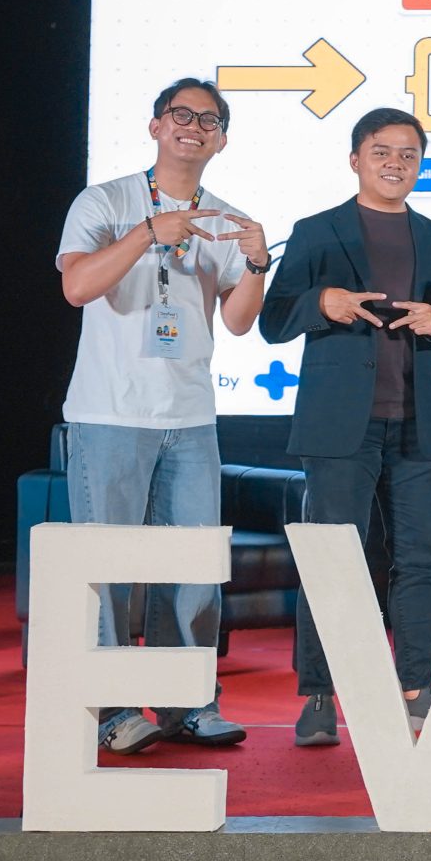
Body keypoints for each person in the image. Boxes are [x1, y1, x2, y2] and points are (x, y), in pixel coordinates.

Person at [54, 77, 270, 755]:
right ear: (155, 126)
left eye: (209, 120)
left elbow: (238, 321)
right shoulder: (105, 201)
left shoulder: (227, 218)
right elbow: (77, 285)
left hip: (190, 415)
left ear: (222, 140)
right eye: (181, 114)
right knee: (107, 568)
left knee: (194, 569)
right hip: (110, 412)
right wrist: (149, 231)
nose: (193, 127)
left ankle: (188, 704)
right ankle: (114, 710)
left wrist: (257, 263)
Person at [259, 107, 431, 748]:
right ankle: (320, 694)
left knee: (420, 560)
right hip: (338, 427)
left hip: (418, 424)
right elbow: (273, 322)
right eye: (382, 151)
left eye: (409, 154)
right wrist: (321, 303)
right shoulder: (316, 231)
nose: (395, 164)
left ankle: (416, 686)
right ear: (355, 159)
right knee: (333, 561)